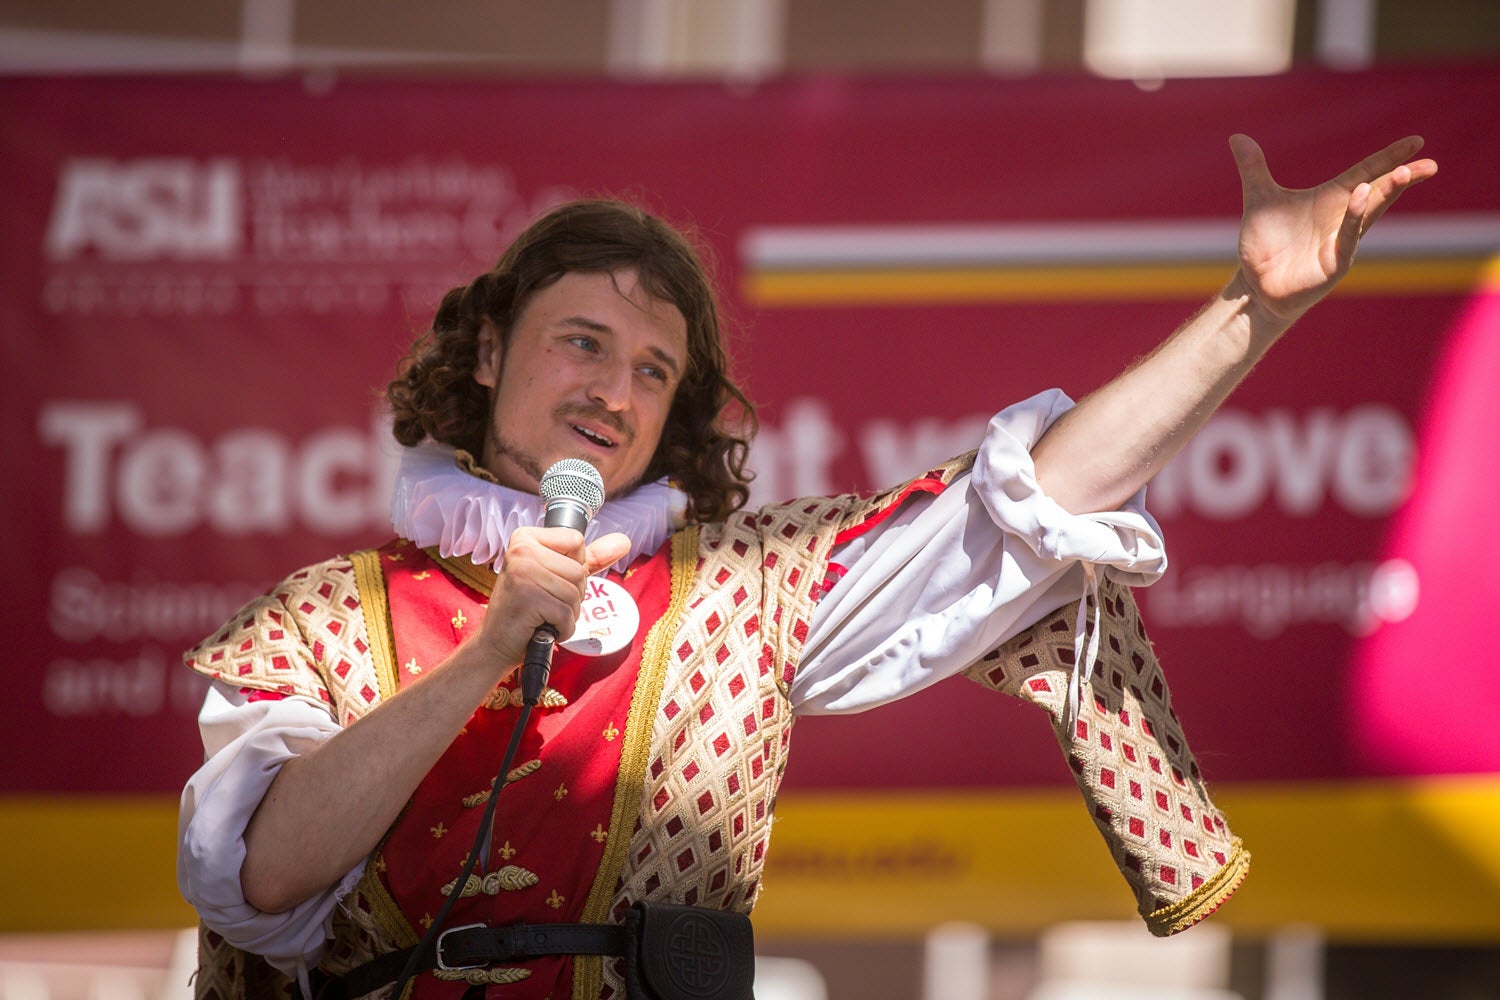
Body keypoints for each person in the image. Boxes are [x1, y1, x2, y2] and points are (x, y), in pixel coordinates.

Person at [177, 134, 1436, 999]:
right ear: (492, 350)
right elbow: (261, 879)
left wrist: (1250, 311)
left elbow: (1036, 500)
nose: (616, 393)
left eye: (655, 372)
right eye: (583, 343)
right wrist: (496, 645)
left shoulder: (740, 591)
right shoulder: (318, 620)